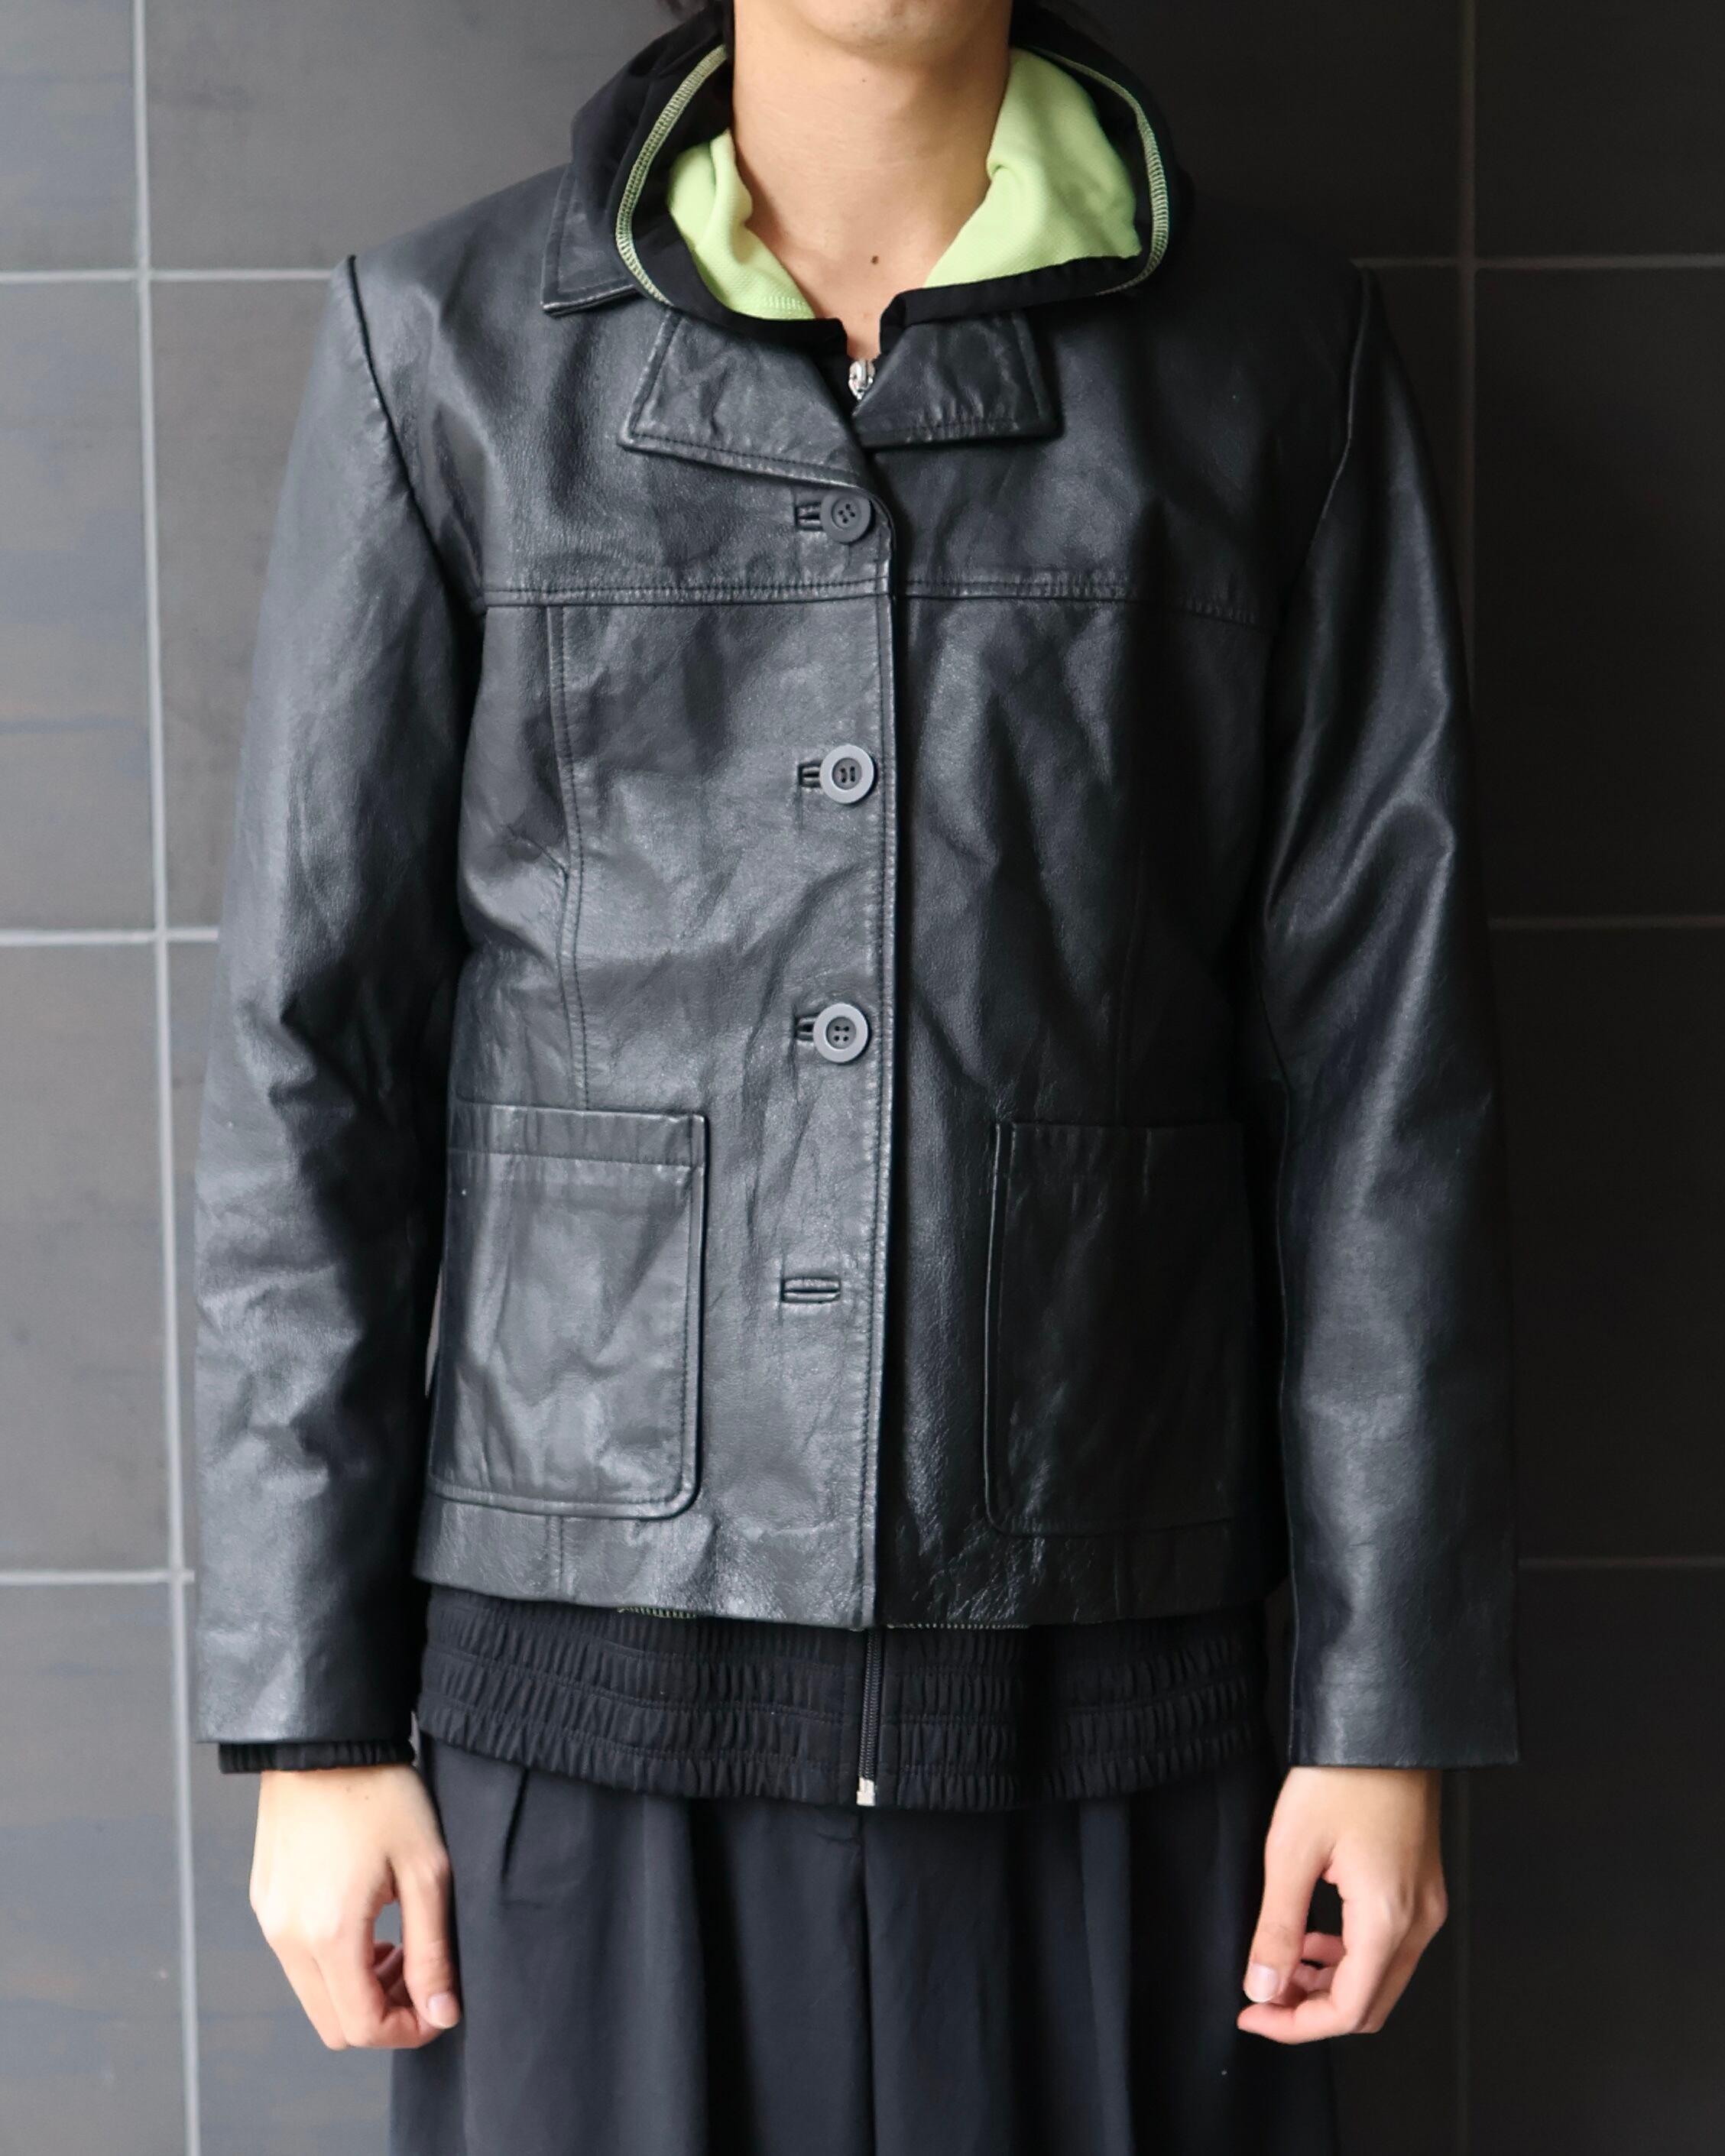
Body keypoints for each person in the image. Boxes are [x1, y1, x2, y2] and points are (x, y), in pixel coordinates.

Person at [193, 0, 1518, 2148]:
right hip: (583, 1688)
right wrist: (311, 1726)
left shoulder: (1276, 356)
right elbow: (314, 1061)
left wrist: (1385, 1711)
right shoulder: (444, 345)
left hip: (1115, 1681)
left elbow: (1386, 1064)